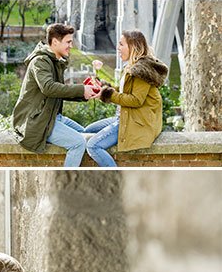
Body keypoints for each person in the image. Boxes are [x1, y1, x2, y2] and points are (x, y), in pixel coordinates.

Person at [12, 23, 102, 167]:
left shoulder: (54, 61)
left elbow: (58, 91)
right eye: (68, 42)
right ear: (55, 42)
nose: (71, 46)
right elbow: (49, 88)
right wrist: (81, 89)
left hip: (51, 116)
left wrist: (85, 93)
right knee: (78, 143)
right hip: (37, 121)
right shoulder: (40, 62)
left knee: (84, 131)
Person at [85, 31, 168, 167]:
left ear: (133, 47)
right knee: (87, 130)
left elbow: (135, 100)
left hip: (134, 121)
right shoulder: (130, 67)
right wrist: (103, 87)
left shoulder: (141, 71)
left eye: (121, 44)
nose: (118, 47)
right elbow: (124, 91)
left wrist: (109, 94)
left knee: (93, 146)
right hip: (124, 117)